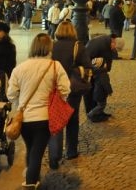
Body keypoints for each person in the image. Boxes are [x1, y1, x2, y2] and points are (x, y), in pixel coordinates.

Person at [7, 33, 70, 190]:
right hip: (45, 117)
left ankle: (31, 174)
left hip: (25, 118)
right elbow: (65, 89)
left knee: (31, 148)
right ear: (50, 47)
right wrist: (57, 98)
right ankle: (30, 182)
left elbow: (11, 94)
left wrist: (20, 105)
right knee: (37, 152)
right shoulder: (55, 66)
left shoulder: (20, 68)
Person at [48, 20, 92, 167]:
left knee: (56, 118)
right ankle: (71, 151)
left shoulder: (52, 46)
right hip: (73, 88)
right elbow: (87, 67)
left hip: (56, 88)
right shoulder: (78, 46)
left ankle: (55, 154)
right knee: (72, 119)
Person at [85, 33, 122, 122]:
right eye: (115, 48)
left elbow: (108, 59)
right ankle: (92, 114)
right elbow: (108, 60)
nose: (114, 50)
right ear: (114, 42)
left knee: (95, 89)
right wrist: (106, 69)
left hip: (92, 65)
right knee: (90, 90)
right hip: (88, 66)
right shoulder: (105, 45)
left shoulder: (106, 41)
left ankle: (97, 112)